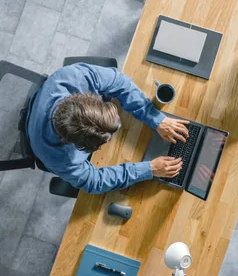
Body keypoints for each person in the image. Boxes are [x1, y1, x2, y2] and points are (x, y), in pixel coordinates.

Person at [26, 63, 190, 194]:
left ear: (89, 98)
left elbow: (120, 82)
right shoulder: (60, 159)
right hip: (36, 133)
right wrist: (149, 169)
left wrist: (156, 119)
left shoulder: (73, 77)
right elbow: (94, 182)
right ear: (80, 147)